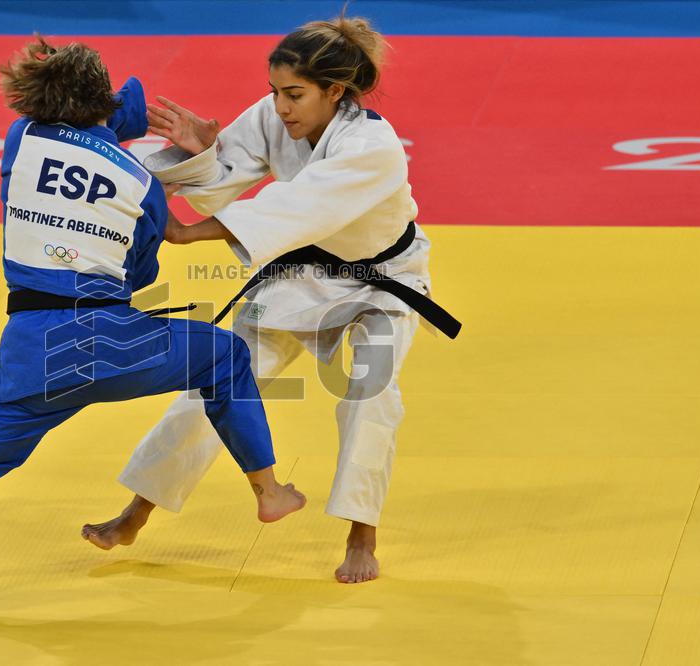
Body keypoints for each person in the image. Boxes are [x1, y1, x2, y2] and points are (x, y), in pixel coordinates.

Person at [0, 35, 305, 619]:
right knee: (224, 356)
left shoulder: (22, 138)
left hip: (32, 358)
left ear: (34, 100)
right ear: (105, 104)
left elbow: (86, 118)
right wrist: (191, 149)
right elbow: (141, 273)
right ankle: (269, 490)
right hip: (116, 345)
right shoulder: (142, 183)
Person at [81, 16, 460, 584]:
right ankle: (136, 512)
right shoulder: (273, 115)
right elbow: (227, 173)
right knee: (219, 376)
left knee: (371, 393)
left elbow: (296, 207)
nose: (281, 107)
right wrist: (198, 152)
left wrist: (186, 234)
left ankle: (362, 534)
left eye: (295, 94)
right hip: (303, 270)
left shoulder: (371, 147)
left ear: (336, 91)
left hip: (383, 280)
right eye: (275, 91)